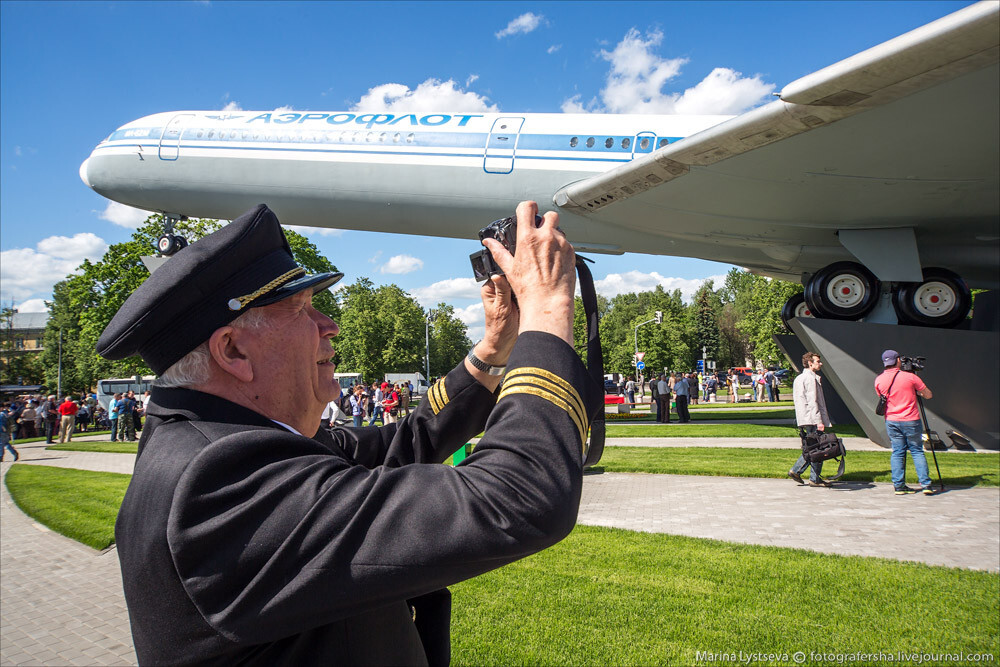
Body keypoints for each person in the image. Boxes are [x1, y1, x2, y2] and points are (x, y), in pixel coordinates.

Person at [96, 201, 597, 665]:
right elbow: (517, 495)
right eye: (302, 309)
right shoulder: (219, 481)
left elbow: (404, 445)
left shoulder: (226, 439)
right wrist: (547, 310)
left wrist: (494, 347)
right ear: (233, 352)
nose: (329, 324)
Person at [875, 350, 935, 496]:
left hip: (892, 420)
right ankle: (926, 484)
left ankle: (899, 486)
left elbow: (884, 397)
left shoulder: (879, 380)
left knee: (897, 452)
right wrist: (917, 392)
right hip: (910, 420)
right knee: (917, 451)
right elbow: (928, 395)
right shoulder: (910, 377)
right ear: (897, 361)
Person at [788, 352, 832, 487]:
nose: (820, 363)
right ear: (810, 363)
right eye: (818, 361)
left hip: (804, 418)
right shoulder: (810, 379)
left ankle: (805, 473)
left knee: (812, 447)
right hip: (812, 418)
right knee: (817, 449)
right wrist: (819, 421)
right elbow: (813, 402)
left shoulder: (799, 378)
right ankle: (804, 473)